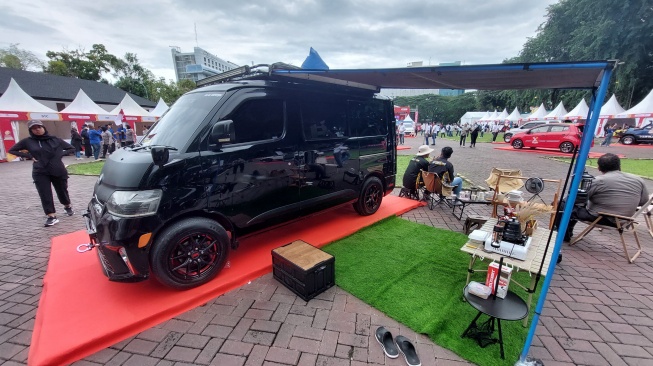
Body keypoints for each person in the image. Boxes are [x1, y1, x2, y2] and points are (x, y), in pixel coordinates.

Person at [557, 153, 649, 242]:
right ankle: (567, 230)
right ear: (619, 165)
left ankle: (564, 235)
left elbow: (578, 199)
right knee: (574, 206)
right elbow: (644, 201)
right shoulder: (638, 179)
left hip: (603, 218)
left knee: (563, 205)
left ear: (599, 168)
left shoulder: (599, 181)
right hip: (627, 220)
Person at [8, 120, 76, 226]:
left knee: (62, 190)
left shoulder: (55, 139)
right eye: (34, 128)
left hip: (57, 169)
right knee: (45, 193)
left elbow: (71, 148)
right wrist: (29, 156)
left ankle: (67, 205)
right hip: (40, 171)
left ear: (43, 128)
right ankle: (51, 215)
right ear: (31, 130)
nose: (37, 130)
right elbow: (12, 150)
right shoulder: (28, 141)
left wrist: (60, 154)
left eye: (39, 127)